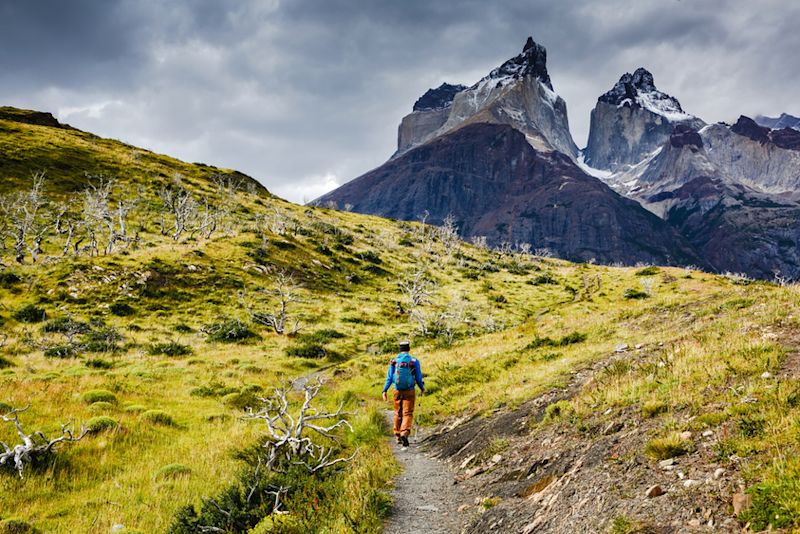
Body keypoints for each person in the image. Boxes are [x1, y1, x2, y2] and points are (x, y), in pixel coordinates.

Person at [382, 340, 425, 447]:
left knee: (398, 412)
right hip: (409, 390)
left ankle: (397, 435)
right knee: (408, 413)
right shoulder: (414, 361)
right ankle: (404, 433)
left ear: (400, 349)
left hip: (397, 390)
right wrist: (422, 388)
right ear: (409, 349)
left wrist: (384, 390)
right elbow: (418, 378)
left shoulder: (394, 361)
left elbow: (389, 377)